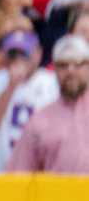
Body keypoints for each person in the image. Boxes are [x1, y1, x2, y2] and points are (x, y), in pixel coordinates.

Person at [8, 31, 89, 170]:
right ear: (55, 69)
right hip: (57, 192)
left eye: (78, 63)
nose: (70, 70)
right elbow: (19, 175)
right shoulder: (39, 121)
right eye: (63, 65)